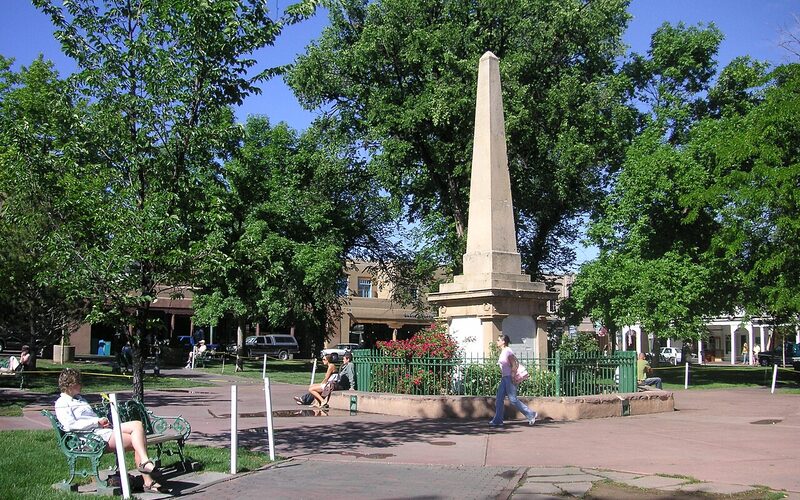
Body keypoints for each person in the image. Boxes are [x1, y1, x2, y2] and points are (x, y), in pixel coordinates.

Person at [54, 368, 167, 493]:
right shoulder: (62, 402)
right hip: (91, 439)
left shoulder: (80, 399)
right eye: (79, 382)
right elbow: (70, 425)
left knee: (137, 425)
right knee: (139, 441)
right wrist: (96, 422)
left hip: (101, 431)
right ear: (70, 385)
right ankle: (148, 480)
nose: (82, 385)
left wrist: (102, 423)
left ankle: (145, 462)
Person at [489, 335, 537, 427]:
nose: (497, 341)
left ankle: (531, 414)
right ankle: (498, 420)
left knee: (513, 399)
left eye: (498, 340)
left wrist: (513, 376)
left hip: (509, 378)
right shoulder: (503, 351)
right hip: (504, 378)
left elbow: (514, 364)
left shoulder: (508, 351)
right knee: (499, 399)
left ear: (503, 341)